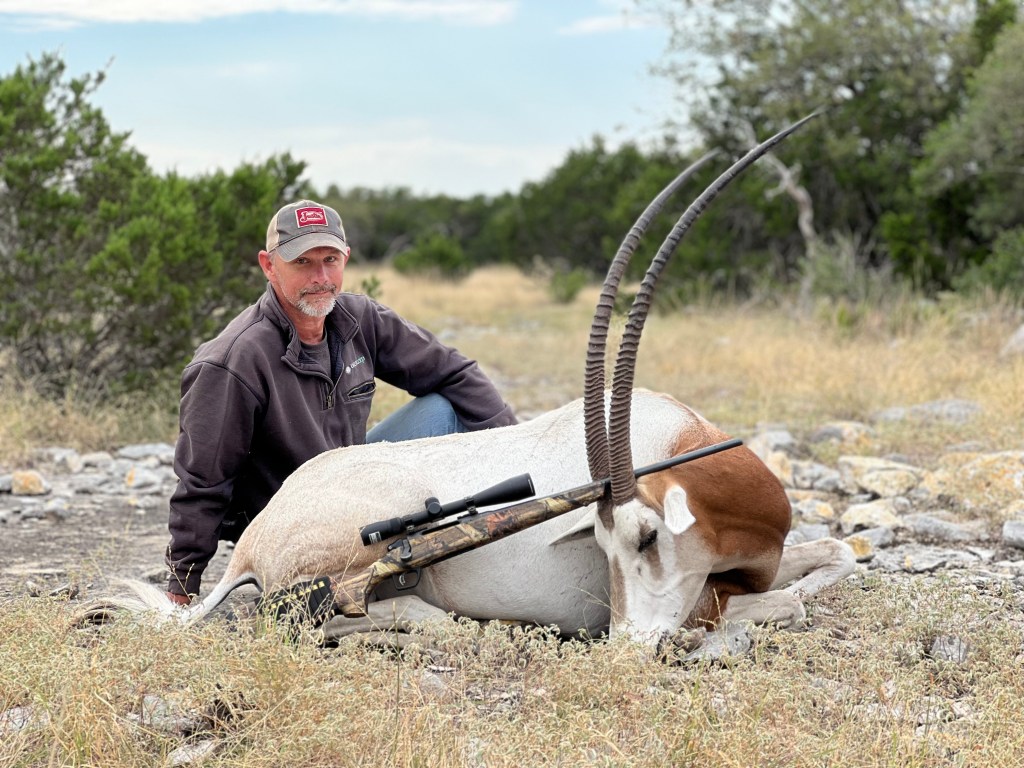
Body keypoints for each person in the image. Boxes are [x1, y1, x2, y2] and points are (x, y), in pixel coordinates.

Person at [165, 199, 517, 604]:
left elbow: (454, 370)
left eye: (330, 259)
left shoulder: (359, 318)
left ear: (346, 257)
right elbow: (202, 483)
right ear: (268, 265)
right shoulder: (232, 361)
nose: (321, 277)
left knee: (445, 406)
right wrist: (181, 589)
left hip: (351, 481)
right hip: (296, 526)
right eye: (302, 263)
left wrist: (516, 448)